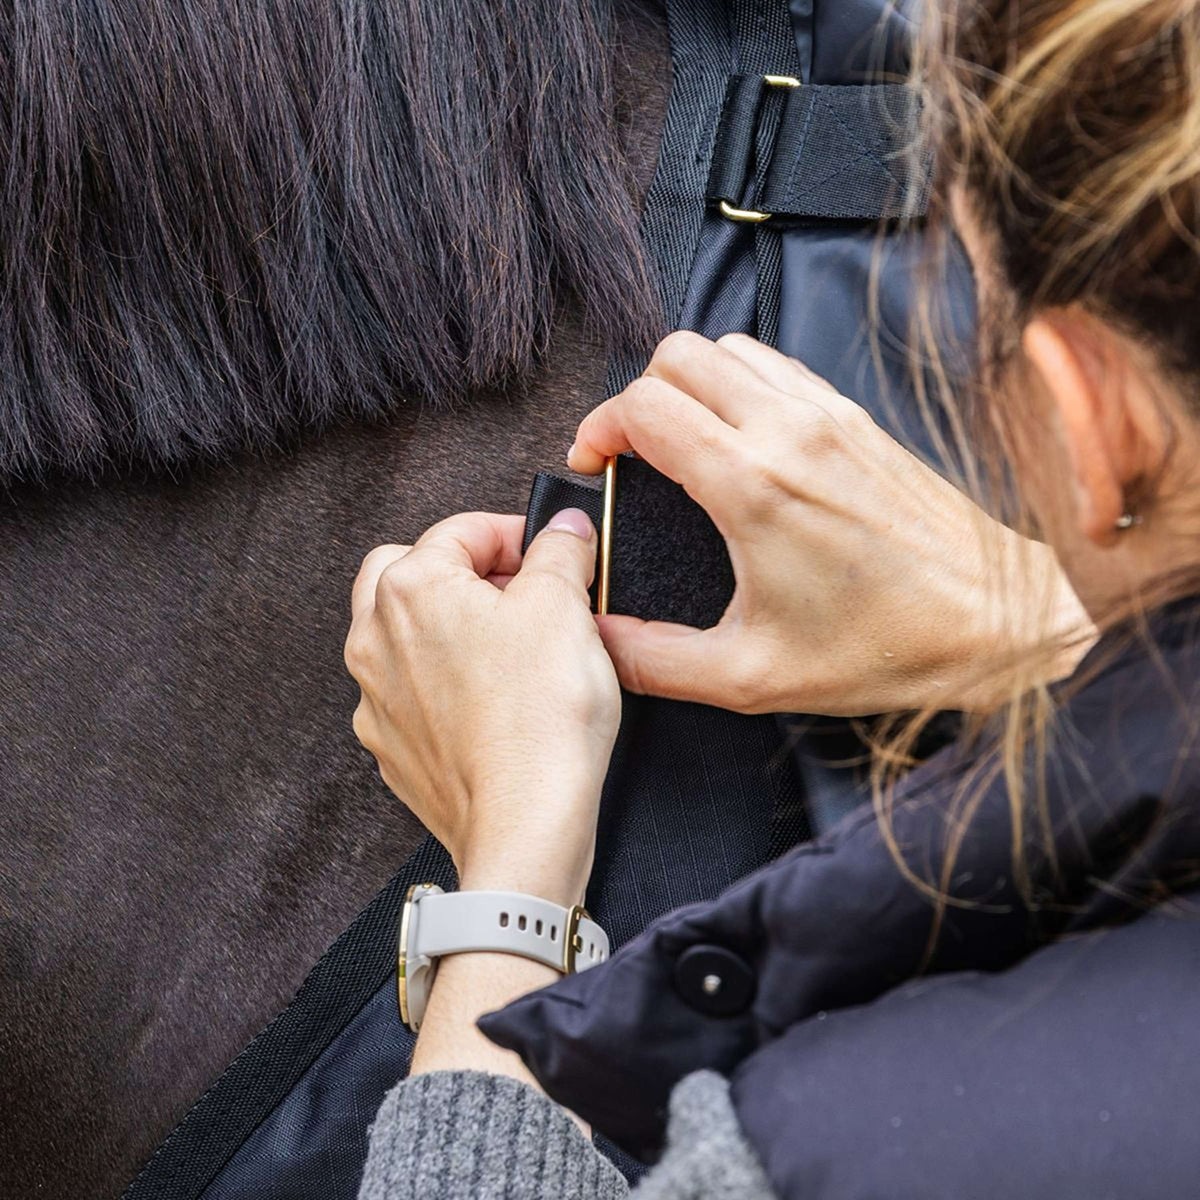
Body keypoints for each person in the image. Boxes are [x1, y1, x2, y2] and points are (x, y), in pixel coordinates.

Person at [343, 0, 1200, 1195]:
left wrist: (509, 874)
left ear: (1094, 413)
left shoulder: (852, 1146)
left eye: (973, 332)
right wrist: (1031, 635)